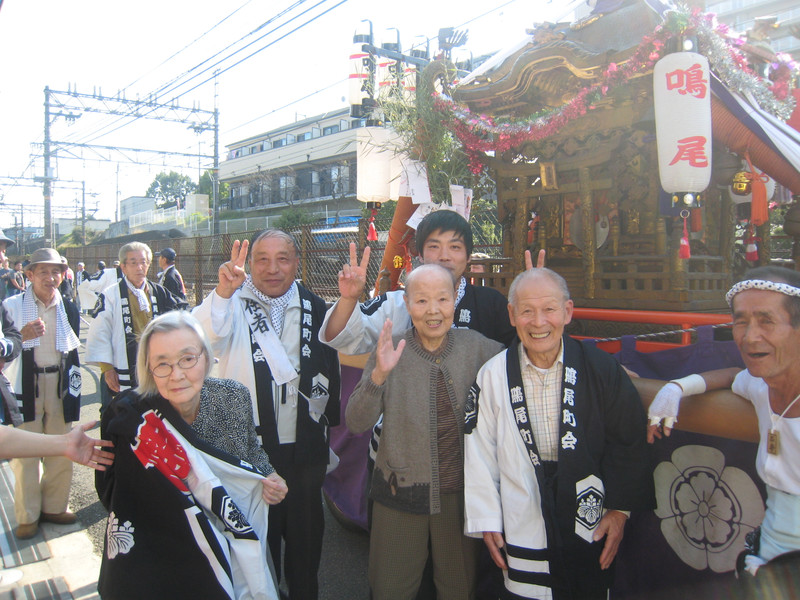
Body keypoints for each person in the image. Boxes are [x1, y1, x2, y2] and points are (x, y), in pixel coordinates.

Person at [463, 267, 654, 600]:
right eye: (526, 311)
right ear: (512, 315)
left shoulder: (601, 369)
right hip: (520, 500)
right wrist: (487, 519)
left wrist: (620, 511)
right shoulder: (492, 374)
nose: (539, 322)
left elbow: (627, 440)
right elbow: (479, 450)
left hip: (585, 504)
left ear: (567, 312)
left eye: (549, 309)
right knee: (525, 588)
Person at [95, 311, 284, 599]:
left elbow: (250, 450)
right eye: (162, 364)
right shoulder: (132, 418)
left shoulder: (232, 397)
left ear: (206, 358)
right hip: (165, 552)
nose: (177, 374)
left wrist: (268, 475)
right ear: (148, 368)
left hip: (228, 537)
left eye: (187, 359)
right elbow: (115, 495)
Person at [193, 229, 340, 600]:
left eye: (283, 258)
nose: (272, 269)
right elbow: (204, 336)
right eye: (262, 259)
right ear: (250, 263)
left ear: (297, 263)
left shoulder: (315, 307)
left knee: (306, 547)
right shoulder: (230, 302)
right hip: (250, 452)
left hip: (303, 451)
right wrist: (224, 292)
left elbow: (333, 366)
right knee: (255, 546)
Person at [346, 264, 503, 600]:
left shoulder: (475, 346)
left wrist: (587, 361)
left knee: (459, 588)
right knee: (390, 588)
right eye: (421, 301)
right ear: (407, 302)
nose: (433, 310)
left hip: (459, 497)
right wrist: (379, 377)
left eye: (443, 299)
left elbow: (520, 362)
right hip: (399, 492)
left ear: (454, 302)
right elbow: (356, 422)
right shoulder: (391, 349)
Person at [648, 266, 800, 577]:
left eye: (766, 321)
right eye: (740, 322)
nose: (749, 336)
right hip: (765, 560)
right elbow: (735, 377)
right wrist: (676, 388)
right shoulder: (762, 386)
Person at [3, 248, 83, 540]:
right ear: (30, 274)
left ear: (63, 275)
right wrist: (20, 335)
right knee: (24, 452)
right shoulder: (11, 306)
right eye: (43, 272)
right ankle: (27, 515)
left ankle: (54, 507)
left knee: (62, 447)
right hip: (26, 385)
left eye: (56, 272)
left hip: (60, 384)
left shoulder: (68, 307)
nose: (51, 278)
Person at [86, 242, 188, 403]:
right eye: (133, 263)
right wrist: (107, 368)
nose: (139, 267)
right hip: (124, 364)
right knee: (122, 411)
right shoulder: (110, 295)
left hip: (155, 364)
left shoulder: (158, 292)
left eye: (143, 262)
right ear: (123, 267)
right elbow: (100, 332)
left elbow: (179, 316)